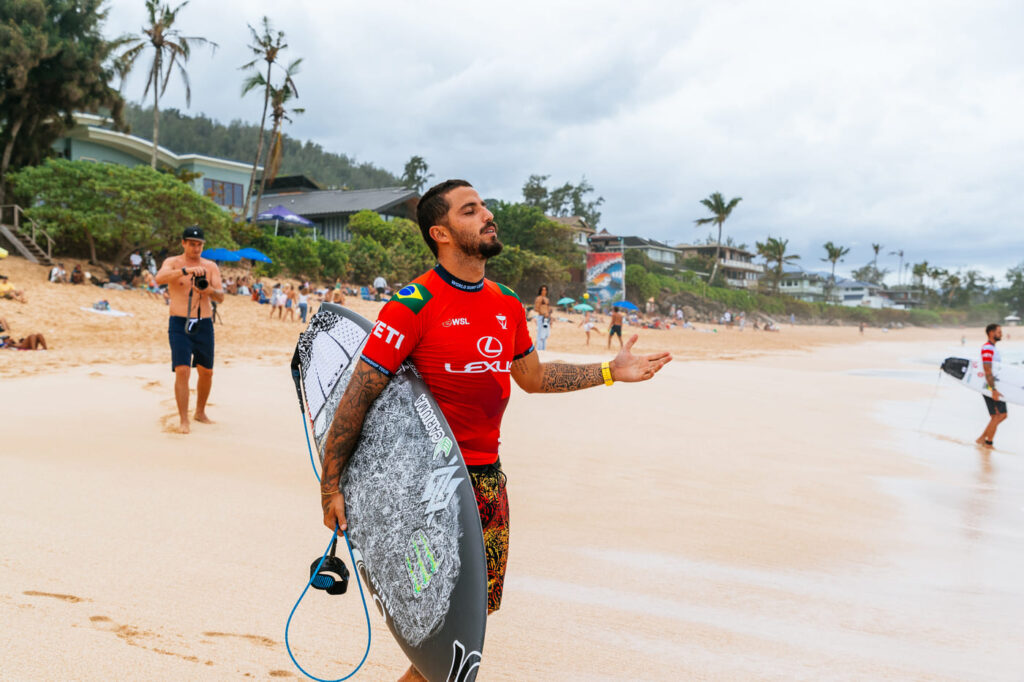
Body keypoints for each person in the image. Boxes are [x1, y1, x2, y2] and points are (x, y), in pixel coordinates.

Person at [318, 179, 671, 682]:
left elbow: (534, 377)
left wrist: (610, 371)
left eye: (484, 206)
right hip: (425, 488)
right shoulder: (413, 303)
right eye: (470, 210)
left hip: (484, 484)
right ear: (440, 232)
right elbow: (358, 397)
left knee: (466, 625)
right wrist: (331, 485)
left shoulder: (505, 303)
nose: (487, 215)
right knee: (447, 641)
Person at [155, 225, 224, 434]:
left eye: (199, 244)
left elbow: (220, 296)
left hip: (203, 322)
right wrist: (186, 271)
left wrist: (208, 289)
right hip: (179, 322)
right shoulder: (173, 262)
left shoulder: (210, 266)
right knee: (182, 370)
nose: (196, 248)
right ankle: (183, 419)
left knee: (207, 372)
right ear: (183, 243)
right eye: (192, 244)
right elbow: (159, 280)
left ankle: (200, 412)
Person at [977, 323, 1007, 448]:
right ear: (991, 333)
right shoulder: (988, 348)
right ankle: (987, 441)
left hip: (991, 385)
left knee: (996, 415)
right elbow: (987, 369)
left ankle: (983, 440)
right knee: (1001, 414)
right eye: (999, 332)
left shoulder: (992, 348)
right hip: (990, 385)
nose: (1001, 334)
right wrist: (993, 389)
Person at [533, 284, 551, 351]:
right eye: (543, 289)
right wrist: (543, 313)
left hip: (546, 318)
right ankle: (539, 349)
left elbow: (548, 308)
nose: (544, 291)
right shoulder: (539, 298)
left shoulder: (547, 299)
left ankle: (544, 349)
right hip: (541, 317)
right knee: (540, 334)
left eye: (545, 290)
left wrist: (549, 315)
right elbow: (536, 308)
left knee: (545, 334)